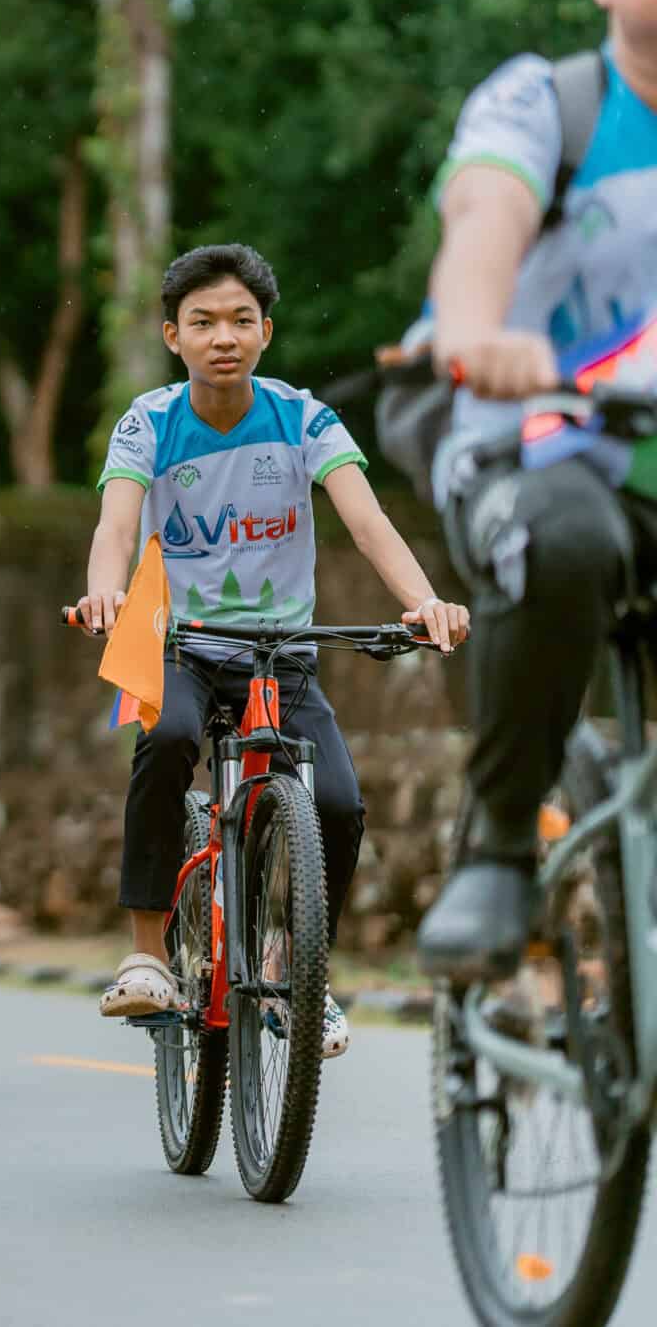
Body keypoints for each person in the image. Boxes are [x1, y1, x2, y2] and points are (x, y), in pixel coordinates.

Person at [79, 244, 468, 1058]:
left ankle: (301, 970)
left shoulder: (303, 417)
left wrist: (422, 599)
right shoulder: (148, 421)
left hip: (280, 654)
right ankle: (149, 950)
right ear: (171, 335)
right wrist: (107, 592)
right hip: (178, 644)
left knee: (336, 802)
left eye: (241, 320)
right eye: (203, 321)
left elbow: (366, 522)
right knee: (168, 736)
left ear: (265, 333)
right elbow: (117, 524)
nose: (224, 336)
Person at [416, 0, 657, 978]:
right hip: (532, 452)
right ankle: (500, 844)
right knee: (563, 536)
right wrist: (473, 331)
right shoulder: (546, 102)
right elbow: (483, 219)